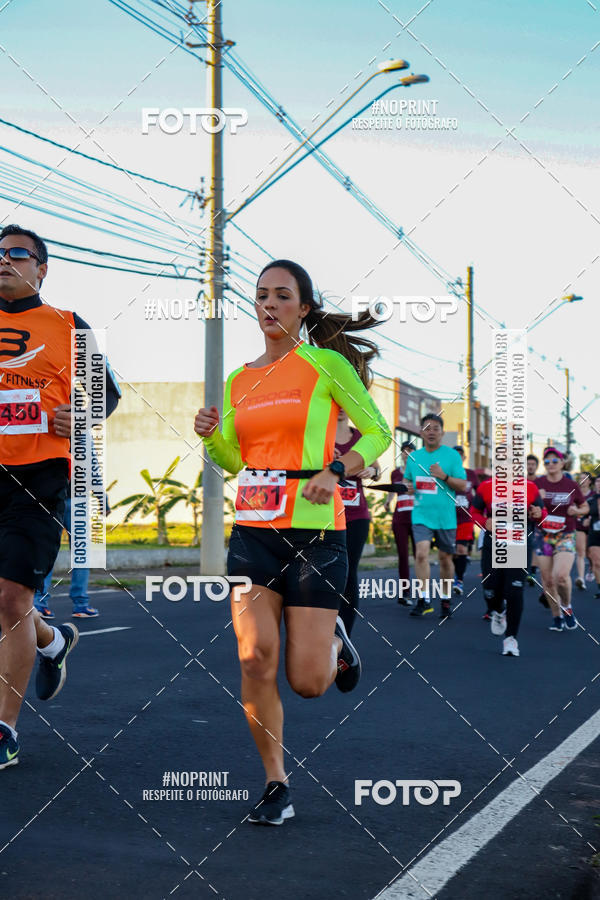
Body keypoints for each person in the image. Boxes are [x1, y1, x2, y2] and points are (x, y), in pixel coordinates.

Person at [194, 259, 391, 825]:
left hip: (315, 531)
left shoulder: (325, 365)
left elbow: (376, 430)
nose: (269, 304)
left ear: (302, 308)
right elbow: (235, 461)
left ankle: (336, 646)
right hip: (254, 531)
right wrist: (212, 437)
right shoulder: (238, 380)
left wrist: (339, 466)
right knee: (254, 656)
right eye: (261, 296)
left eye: (282, 296)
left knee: (307, 683)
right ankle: (275, 783)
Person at [0, 224, 121, 769]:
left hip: (39, 479)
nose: (5, 260)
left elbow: (106, 394)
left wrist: (80, 414)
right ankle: (53, 642)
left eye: (17, 253)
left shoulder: (69, 326)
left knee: (11, 600)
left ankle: (4, 729)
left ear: (41, 268)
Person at [469, 476, 545, 656]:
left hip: (518, 544)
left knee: (514, 592)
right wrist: (484, 522)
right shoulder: (486, 486)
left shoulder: (530, 487)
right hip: (493, 545)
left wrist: (538, 513)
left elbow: (543, 512)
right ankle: (498, 610)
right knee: (490, 590)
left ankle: (511, 639)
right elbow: (474, 512)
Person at [401, 414, 466, 618]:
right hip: (421, 515)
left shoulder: (452, 456)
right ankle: (424, 599)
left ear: (442, 433)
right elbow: (406, 482)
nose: (431, 432)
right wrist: (407, 488)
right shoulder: (414, 458)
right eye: (427, 428)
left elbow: (462, 485)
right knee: (421, 554)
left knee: (445, 559)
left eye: (435, 428)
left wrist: (444, 476)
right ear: (421, 432)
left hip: (445, 518)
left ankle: (445, 600)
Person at [334, 409, 381, 635]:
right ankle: (324, 631)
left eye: (345, 404)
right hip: (323, 516)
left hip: (356, 516)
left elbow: (377, 469)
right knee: (326, 573)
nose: (341, 409)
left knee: (349, 572)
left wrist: (371, 470)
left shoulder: (361, 438)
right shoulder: (318, 435)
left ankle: (345, 638)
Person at [34, 485, 110, 619]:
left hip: (51, 499)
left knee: (46, 552)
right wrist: (103, 499)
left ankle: (39, 604)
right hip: (77, 501)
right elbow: (93, 472)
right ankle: (81, 605)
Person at [534, 447, 589, 631]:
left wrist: (577, 511)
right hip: (543, 535)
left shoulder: (571, 485)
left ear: (562, 463)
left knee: (561, 577)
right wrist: (536, 502)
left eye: (554, 461)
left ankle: (567, 607)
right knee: (548, 580)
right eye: (547, 461)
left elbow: (585, 507)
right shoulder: (537, 483)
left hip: (565, 534)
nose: (550, 464)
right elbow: (526, 508)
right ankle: (556, 616)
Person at [385, 441, 416, 605]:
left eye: (410, 451)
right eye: (404, 451)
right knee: (403, 556)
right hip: (400, 519)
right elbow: (392, 491)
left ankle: (423, 593)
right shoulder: (395, 473)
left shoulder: (420, 471)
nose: (407, 454)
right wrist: (387, 501)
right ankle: (404, 592)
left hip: (418, 519)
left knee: (420, 556)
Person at [451, 446, 478, 596]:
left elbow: (479, 492)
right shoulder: (445, 473)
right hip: (449, 518)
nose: (458, 457)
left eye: (460, 455)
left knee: (461, 549)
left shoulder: (471, 474)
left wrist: (478, 509)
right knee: (452, 552)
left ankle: (459, 580)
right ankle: (455, 574)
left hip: (466, 518)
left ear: (464, 458)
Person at [574, 471, 594, 590]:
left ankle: (592, 568)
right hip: (579, 526)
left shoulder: (594, 494)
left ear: (589, 481)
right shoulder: (576, 494)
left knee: (590, 553)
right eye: (580, 478)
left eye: (584, 478)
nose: (582, 480)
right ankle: (581, 579)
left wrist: (591, 517)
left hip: (592, 528)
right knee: (580, 553)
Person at [525, 454, 540, 587]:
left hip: (538, 518)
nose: (530, 466)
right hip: (524, 519)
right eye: (528, 464)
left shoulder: (541, 482)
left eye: (533, 464)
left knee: (534, 543)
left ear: (537, 466)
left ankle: (532, 572)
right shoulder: (521, 481)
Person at [585, 477, 600, 598]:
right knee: (597, 562)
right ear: (594, 484)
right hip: (594, 533)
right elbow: (584, 514)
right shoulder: (590, 500)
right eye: (598, 482)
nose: (599, 484)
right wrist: (585, 520)